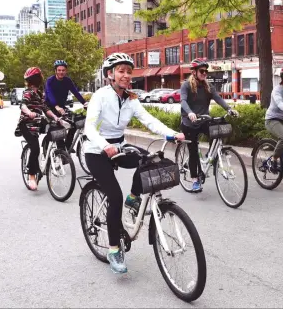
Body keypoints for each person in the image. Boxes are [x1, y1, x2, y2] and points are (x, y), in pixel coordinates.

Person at [84, 52, 185, 274]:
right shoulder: (100, 96)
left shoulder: (131, 98)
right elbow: (89, 127)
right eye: (121, 71)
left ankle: (134, 197)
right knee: (114, 196)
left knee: (150, 160)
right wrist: (104, 145)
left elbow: (149, 120)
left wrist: (171, 134)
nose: (126, 75)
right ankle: (113, 249)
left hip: (119, 146)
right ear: (110, 74)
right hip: (96, 150)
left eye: (129, 71)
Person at [180, 58, 238, 192]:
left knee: (217, 131)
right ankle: (195, 180)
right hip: (189, 122)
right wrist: (189, 113)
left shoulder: (207, 86)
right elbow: (183, 101)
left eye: (206, 71)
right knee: (193, 151)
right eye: (202, 71)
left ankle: (208, 157)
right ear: (194, 72)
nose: (204, 73)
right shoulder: (186, 85)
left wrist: (229, 109)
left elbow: (217, 98)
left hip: (203, 120)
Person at [15, 67, 61, 191]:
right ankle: (31, 176)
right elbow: (23, 105)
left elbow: (45, 108)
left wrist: (56, 117)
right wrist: (29, 112)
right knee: (34, 147)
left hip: (38, 123)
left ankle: (47, 154)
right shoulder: (28, 92)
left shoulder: (39, 93)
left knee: (54, 130)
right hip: (26, 125)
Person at [44, 60, 88, 152]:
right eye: (59, 70)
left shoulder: (67, 81)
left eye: (63, 70)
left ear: (66, 71)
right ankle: (59, 149)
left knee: (74, 123)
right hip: (49, 107)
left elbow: (75, 92)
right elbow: (49, 93)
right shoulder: (50, 81)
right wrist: (56, 106)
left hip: (61, 107)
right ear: (55, 71)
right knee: (58, 126)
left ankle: (67, 147)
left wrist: (84, 103)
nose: (61, 72)